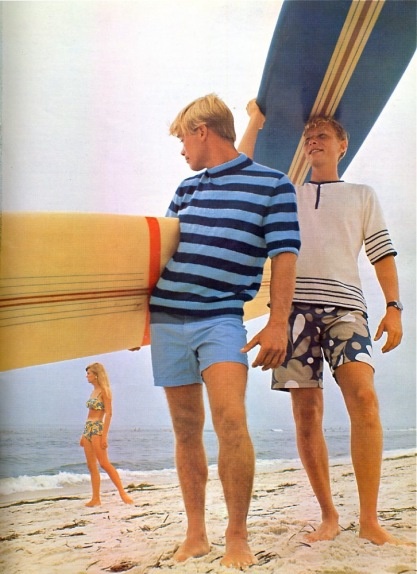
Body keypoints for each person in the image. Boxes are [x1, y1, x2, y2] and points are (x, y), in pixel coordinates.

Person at [239, 100, 410, 546]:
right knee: (306, 413)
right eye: (308, 137)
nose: (313, 141)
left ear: (342, 146)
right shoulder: (286, 192)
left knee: (364, 397)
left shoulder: (361, 195)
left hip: (346, 309)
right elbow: (243, 170)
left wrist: (394, 307)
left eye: (323, 136)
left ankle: (370, 520)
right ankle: (329, 515)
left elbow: (382, 255)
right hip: (292, 311)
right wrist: (256, 122)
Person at [149, 94, 300, 568]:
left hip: (220, 318)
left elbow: (285, 255)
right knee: (185, 429)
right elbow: (160, 256)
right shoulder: (187, 189)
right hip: (168, 318)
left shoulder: (274, 186)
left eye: (182, 139)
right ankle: (196, 534)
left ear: (201, 131)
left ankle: (237, 536)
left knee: (230, 420)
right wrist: (132, 321)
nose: (181, 151)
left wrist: (278, 321)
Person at [80, 362, 134, 507]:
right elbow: (89, 413)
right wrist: (83, 434)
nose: (87, 376)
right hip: (88, 429)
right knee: (91, 466)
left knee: (104, 463)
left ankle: (123, 493)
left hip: (98, 428)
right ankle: (96, 498)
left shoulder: (105, 391)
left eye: (89, 373)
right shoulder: (93, 391)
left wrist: (104, 435)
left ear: (96, 375)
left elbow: (109, 414)